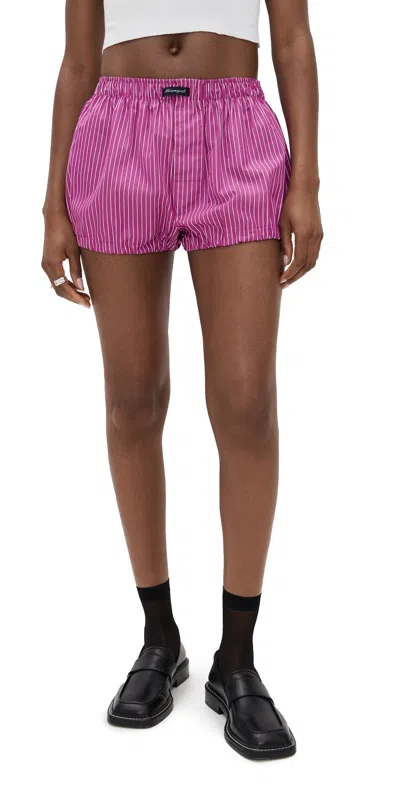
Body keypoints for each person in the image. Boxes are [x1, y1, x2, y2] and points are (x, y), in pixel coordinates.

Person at [42, 0, 322, 760]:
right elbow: (78, 58)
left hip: (237, 135)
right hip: (116, 134)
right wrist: (52, 202)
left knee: (247, 404)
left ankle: (238, 657)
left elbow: (293, 38)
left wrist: (306, 179)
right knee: (132, 401)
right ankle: (159, 636)